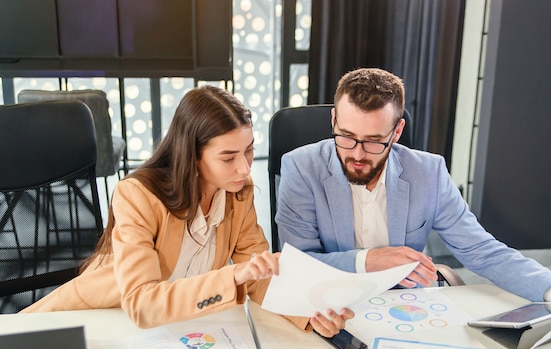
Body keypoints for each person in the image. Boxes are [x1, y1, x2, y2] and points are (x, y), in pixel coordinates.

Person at [276, 68, 551, 322]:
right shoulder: (300, 168)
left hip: (409, 308)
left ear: (397, 132)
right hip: (331, 307)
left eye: (374, 141)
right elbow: (298, 264)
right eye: (346, 136)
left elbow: (482, 250)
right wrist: (368, 260)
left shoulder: (428, 172)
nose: (358, 154)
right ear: (334, 119)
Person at [21, 85, 353, 335]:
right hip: (97, 320)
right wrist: (233, 275)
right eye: (228, 157)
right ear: (192, 155)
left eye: (249, 151)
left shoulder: (238, 194)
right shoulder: (136, 195)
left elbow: (258, 277)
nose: (244, 168)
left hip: (173, 328)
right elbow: (140, 303)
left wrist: (306, 313)